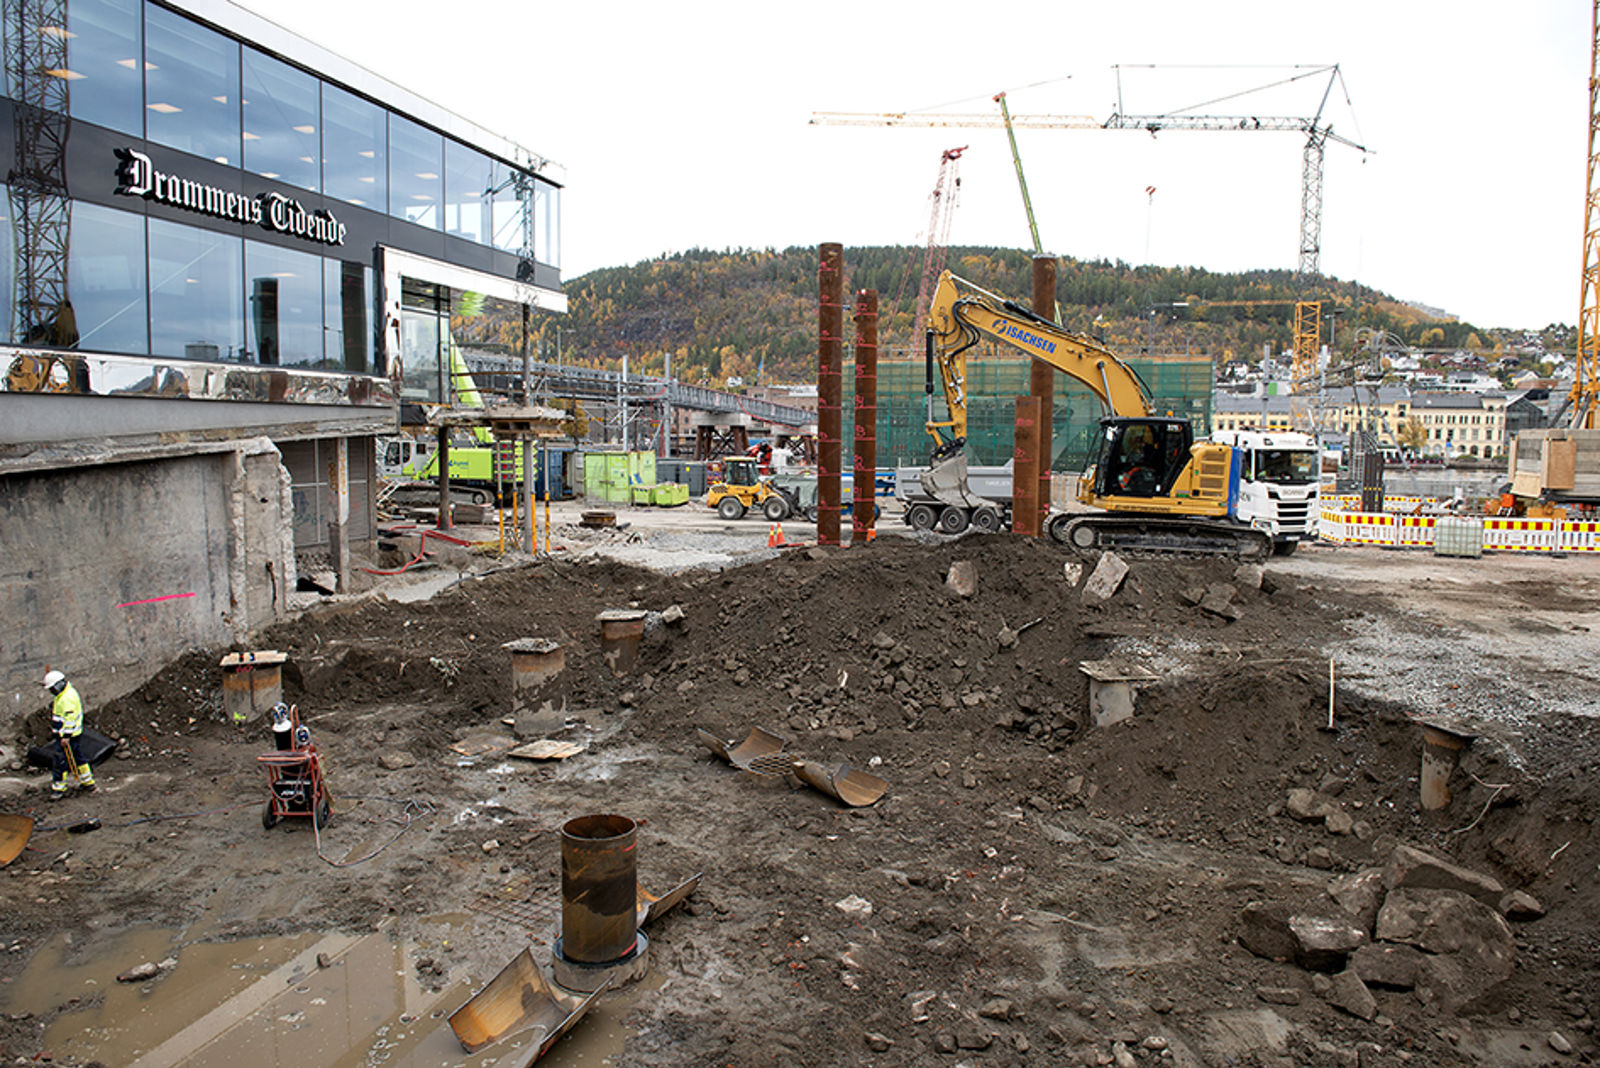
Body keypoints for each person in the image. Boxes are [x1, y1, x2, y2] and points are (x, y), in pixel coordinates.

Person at [43, 670, 95, 799]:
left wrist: (66, 736)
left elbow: (70, 718)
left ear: (58, 685)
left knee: (60, 761)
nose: (52, 692)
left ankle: (59, 788)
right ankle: (88, 782)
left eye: (52, 689)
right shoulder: (67, 693)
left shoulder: (66, 698)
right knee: (78, 757)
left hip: (67, 736)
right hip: (73, 734)